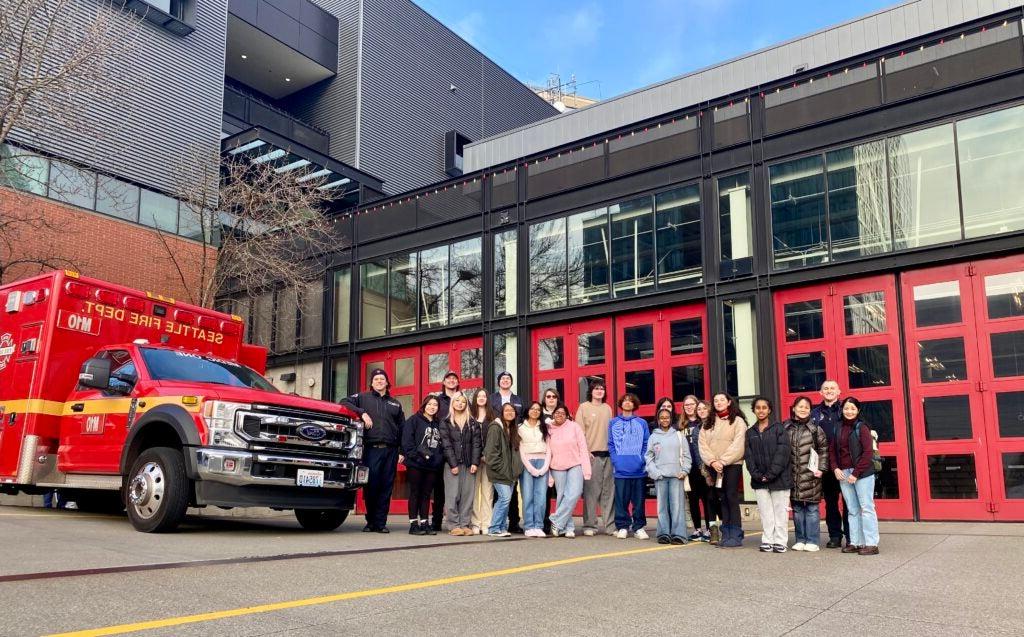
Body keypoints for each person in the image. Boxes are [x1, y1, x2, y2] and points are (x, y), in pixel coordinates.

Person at [341, 369, 406, 533]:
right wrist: (362, 413)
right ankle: (370, 522)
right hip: (371, 450)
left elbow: (402, 428)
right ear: (371, 383)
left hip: (390, 451)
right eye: (376, 379)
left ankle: (381, 523)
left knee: (386, 487)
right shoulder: (363, 398)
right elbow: (343, 402)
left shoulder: (395, 403)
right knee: (371, 486)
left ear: (387, 382)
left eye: (382, 379)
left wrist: (401, 451)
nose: (379, 381)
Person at [831, 397, 880, 555]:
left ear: (858, 410)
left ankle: (871, 544)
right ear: (842, 409)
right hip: (843, 473)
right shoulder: (837, 427)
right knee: (852, 509)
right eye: (846, 408)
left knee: (866, 508)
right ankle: (855, 542)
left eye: (852, 408)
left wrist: (856, 473)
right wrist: (835, 468)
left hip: (862, 473)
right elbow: (832, 451)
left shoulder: (862, 427)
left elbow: (867, 453)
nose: (849, 411)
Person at [698, 392, 747, 548]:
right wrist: (713, 461)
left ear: (729, 403)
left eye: (722, 400)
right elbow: (703, 445)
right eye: (716, 400)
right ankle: (726, 533)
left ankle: (736, 534)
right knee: (721, 497)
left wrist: (723, 461)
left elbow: (739, 444)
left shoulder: (738, 421)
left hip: (732, 464)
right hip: (714, 466)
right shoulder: (708, 423)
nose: (718, 403)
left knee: (731, 496)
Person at [745, 397, 792, 553]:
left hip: (779, 479)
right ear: (754, 410)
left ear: (769, 410)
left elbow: (783, 453)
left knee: (780, 512)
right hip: (759, 480)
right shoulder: (750, 432)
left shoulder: (779, 429)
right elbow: (749, 456)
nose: (761, 410)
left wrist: (770, 474)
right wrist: (758, 475)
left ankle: (780, 541)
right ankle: (767, 540)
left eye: (764, 407)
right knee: (766, 513)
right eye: (758, 408)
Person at [786, 396, 829, 552]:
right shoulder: (786, 427)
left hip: (812, 475)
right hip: (793, 475)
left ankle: (812, 540)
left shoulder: (815, 429)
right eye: (800, 406)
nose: (803, 409)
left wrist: (822, 469)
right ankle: (800, 539)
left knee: (811, 509)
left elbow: (824, 450)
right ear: (793, 408)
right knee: (797, 508)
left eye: (806, 407)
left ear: (810, 411)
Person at [812, 379, 850, 549]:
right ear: (821, 392)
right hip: (826, 465)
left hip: (845, 463)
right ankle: (835, 535)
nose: (829, 391)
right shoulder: (814, 413)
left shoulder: (846, 409)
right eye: (825, 388)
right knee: (831, 502)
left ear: (839, 391)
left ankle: (851, 536)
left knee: (850, 502)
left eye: (832, 388)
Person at [645, 408, 691, 544]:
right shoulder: (653, 437)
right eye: (662, 417)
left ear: (671, 419)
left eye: (667, 417)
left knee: (677, 507)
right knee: (662, 507)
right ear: (658, 420)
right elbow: (648, 457)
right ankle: (663, 533)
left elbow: (687, 456)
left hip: (677, 476)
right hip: (660, 477)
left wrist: (684, 470)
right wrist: (655, 472)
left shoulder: (679, 436)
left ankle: (679, 535)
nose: (664, 419)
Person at [576, 381, 616, 536]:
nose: (599, 391)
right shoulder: (583, 407)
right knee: (591, 492)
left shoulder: (608, 409)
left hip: (608, 455)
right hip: (591, 455)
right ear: (591, 391)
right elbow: (579, 433)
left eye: (602, 389)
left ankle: (610, 526)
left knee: (609, 492)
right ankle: (589, 525)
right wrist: (585, 452)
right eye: (596, 389)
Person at [400, 395, 444, 535]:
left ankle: (424, 523)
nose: (432, 407)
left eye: (435, 405)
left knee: (426, 495)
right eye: (430, 404)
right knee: (415, 493)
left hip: (432, 465)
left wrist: (438, 459)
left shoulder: (438, 423)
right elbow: (407, 442)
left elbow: (442, 445)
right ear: (424, 405)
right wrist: (417, 458)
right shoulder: (414, 420)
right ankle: (413, 524)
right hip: (416, 464)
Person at [609, 393, 650, 539]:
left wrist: (642, 460)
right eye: (625, 401)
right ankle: (623, 526)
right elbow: (611, 444)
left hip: (638, 469)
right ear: (621, 404)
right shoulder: (613, 423)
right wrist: (616, 461)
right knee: (621, 499)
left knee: (638, 500)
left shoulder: (642, 423)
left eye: (630, 401)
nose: (627, 403)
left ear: (634, 404)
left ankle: (639, 527)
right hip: (620, 469)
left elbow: (646, 444)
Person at [439, 392, 481, 536]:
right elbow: (446, 444)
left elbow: (477, 443)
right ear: (452, 403)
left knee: (467, 496)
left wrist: (475, 462)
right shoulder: (445, 422)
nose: (460, 404)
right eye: (457, 401)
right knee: (452, 495)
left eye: (463, 401)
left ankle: (465, 524)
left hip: (469, 464)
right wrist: (453, 464)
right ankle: (453, 525)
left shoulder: (472, 422)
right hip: (452, 464)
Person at [546, 404, 591, 538]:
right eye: (557, 412)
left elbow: (583, 448)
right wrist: (548, 473)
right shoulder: (548, 429)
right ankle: (567, 527)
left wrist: (586, 469)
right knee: (562, 496)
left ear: (567, 415)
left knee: (575, 493)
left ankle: (556, 520)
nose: (559, 415)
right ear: (553, 414)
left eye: (562, 413)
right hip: (557, 466)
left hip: (575, 464)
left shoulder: (574, 427)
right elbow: (547, 452)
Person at [483, 402, 524, 537]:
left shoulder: (512, 429)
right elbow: (491, 453)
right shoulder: (495, 427)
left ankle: (501, 527)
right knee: (504, 498)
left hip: (510, 473)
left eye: (512, 410)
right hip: (500, 472)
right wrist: (501, 469)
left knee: (505, 499)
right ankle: (494, 528)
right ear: (501, 412)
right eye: (507, 410)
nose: (510, 412)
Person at [430, 370, 462, 531]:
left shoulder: (462, 399)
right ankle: (436, 521)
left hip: (456, 449)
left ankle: (458, 520)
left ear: (457, 382)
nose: (451, 380)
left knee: (456, 487)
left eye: (454, 379)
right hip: (439, 448)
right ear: (443, 382)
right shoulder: (437, 400)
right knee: (438, 487)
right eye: (448, 378)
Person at [518, 401, 551, 537]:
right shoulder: (520, 427)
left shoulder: (544, 427)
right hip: (527, 464)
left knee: (541, 496)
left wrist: (545, 466)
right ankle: (529, 526)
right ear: (527, 410)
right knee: (528, 495)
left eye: (538, 409)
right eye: (532, 409)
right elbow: (520, 449)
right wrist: (530, 467)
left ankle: (538, 525)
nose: (535, 411)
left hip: (542, 462)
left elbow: (549, 448)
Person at [680, 395, 710, 542]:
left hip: (702, 467)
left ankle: (710, 530)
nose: (689, 407)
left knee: (707, 499)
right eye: (686, 405)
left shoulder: (702, 423)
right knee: (692, 500)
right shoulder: (680, 426)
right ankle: (697, 529)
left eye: (692, 404)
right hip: (688, 468)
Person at [695, 399, 722, 543]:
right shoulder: (697, 429)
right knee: (710, 500)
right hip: (706, 470)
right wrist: (705, 473)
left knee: (722, 499)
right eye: (698, 409)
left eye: (704, 408)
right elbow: (698, 452)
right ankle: (713, 532)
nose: (701, 411)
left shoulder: (717, 425)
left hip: (720, 467)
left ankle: (726, 528)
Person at [470, 389, 496, 535]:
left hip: (488, 460)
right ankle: (475, 523)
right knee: (473, 493)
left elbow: (494, 440)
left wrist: (487, 455)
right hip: (473, 461)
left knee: (488, 492)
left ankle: (486, 523)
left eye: (484, 396)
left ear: (487, 399)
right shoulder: (470, 416)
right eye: (478, 396)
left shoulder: (493, 417)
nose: (481, 398)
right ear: (475, 398)